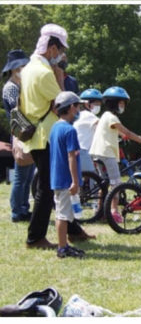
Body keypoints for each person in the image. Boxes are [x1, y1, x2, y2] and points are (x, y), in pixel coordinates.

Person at [19, 23, 90, 250]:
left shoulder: (28, 69)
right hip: (48, 135)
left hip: (36, 134)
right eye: (59, 50)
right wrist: (59, 73)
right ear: (51, 47)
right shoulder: (43, 72)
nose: (60, 55)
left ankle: (73, 230)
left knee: (50, 186)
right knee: (49, 188)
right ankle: (35, 237)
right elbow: (62, 103)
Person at [90, 86, 141, 191]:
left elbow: (109, 129)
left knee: (104, 183)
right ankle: (114, 208)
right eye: (121, 103)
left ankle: (101, 206)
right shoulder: (112, 117)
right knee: (116, 184)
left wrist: (120, 134)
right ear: (114, 103)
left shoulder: (105, 115)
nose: (123, 106)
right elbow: (128, 133)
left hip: (97, 152)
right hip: (107, 153)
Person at [49, 91, 86, 259]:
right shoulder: (70, 130)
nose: (78, 110)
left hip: (56, 177)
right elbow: (72, 156)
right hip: (65, 180)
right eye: (77, 106)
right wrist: (75, 181)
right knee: (62, 215)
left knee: (63, 212)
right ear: (71, 108)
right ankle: (62, 248)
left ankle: (65, 245)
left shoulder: (55, 127)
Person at [2, 49, 34, 222]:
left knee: (28, 176)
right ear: (15, 69)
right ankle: (17, 211)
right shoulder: (10, 88)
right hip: (20, 133)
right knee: (21, 176)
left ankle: (24, 207)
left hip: (27, 132)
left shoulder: (21, 86)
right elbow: (18, 111)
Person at [73, 88, 102, 175]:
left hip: (80, 151)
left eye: (99, 103)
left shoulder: (80, 115)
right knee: (92, 179)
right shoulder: (88, 115)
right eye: (96, 103)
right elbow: (104, 125)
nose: (98, 106)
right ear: (86, 104)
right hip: (83, 151)